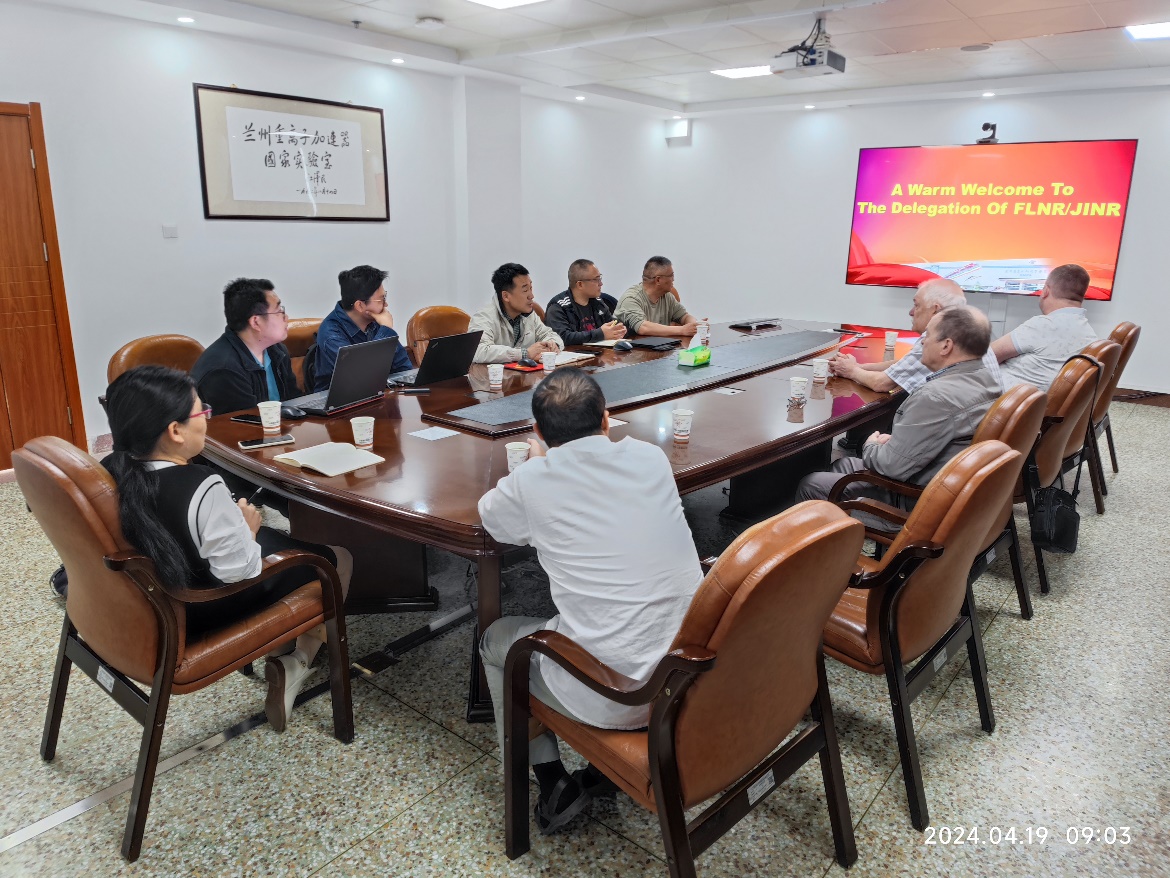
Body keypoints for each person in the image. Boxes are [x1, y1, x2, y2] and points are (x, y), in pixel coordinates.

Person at [478, 368, 703, 833]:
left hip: (619, 694)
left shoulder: (533, 480)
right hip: (688, 675)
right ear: (606, 419)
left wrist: (535, 464)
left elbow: (493, 520)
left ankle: (551, 782)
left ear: (538, 432)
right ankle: (597, 773)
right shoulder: (650, 457)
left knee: (497, 640)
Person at [102, 365, 353, 733]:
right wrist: (248, 529)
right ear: (175, 431)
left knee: (277, 542)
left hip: (160, 593)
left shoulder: (113, 468)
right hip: (201, 607)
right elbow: (240, 571)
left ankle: (283, 652)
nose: (207, 419)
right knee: (335, 559)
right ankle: (298, 661)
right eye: (201, 412)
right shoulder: (201, 484)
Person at [796, 306, 1000, 519]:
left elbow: (889, 466)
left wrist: (871, 444)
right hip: (946, 486)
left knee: (811, 484)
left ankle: (824, 536)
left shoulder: (935, 397)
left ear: (946, 346)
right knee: (843, 463)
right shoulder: (986, 379)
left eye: (928, 335)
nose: (922, 342)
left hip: (913, 504)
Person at [830, 278, 1002, 393]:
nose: (911, 312)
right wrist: (860, 366)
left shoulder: (940, 337)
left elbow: (881, 383)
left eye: (917, 305)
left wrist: (851, 370)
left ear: (935, 310)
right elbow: (903, 365)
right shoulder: (970, 331)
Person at [190, 278, 299, 415]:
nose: (286, 317)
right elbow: (244, 422)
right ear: (256, 322)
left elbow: (295, 402)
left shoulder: (277, 351)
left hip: (280, 426)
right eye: (278, 311)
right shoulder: (224, 369)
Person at [992, 263, 1097, 390]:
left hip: (1005, 398)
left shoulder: (1042, 325)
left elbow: (988, 357)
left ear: (1046, 290)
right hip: (1037, 397)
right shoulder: (1089, 334)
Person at [312, 265, 413, 391]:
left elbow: (403, 367)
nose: (386, 304)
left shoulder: (374, 322)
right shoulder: (331, 334)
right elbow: (362, 377)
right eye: (381, 299)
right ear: (360, 305)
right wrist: (386, 330)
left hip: (379, 393)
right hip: (338, 399)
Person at [470, 262, 564, 364]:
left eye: (531, 288)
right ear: (506, 296)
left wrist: (552, 345)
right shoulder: (484, 317)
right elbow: (478, 351)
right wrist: (524, 353)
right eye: (525, 290)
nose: (531, 296)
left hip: (523, 373)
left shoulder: (528, 314)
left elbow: (550, 334)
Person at [543, 259, 627, 346]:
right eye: (596, 279)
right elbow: (563, 337)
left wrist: (619, 330)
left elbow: (611, 325)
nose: (601, 283)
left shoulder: (598, 302)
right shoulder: (558, 306)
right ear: (580, 284)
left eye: (600, 278)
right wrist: (600, 334)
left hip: (598, 351)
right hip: (573, 353)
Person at [614, 256, 700, 341]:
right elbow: (643, 327)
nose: (673, 279)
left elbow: (684, 316)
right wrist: (682, 330)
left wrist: (695, 325)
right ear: (658, 280)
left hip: (659, 346)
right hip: (632, 348)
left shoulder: (667, 296)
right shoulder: (631, 299)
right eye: (671, 276)